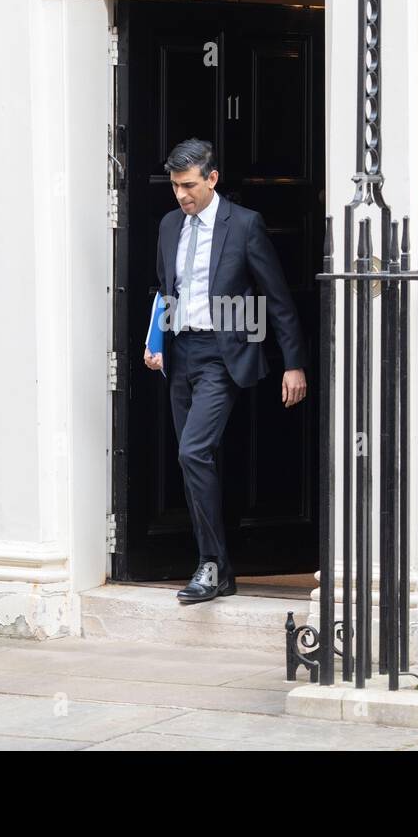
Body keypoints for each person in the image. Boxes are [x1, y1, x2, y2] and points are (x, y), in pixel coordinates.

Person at [143, 138, 307, 603]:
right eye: (175, 186)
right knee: (195, 457)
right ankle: (220, 569)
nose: (181, 195)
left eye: (189, 185)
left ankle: (210, 565)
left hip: (222, 354)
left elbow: (277, 298)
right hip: (180, 354)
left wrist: (293, 364)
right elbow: (164, 288)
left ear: (212, 179)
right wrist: (155, 339)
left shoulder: (245, 225)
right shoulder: (169, 225)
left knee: (193, 452)